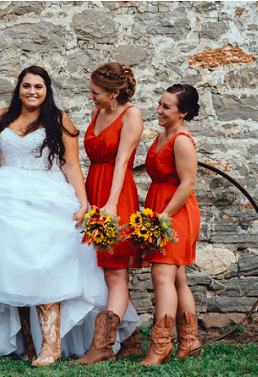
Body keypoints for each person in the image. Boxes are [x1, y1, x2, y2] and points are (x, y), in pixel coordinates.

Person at [0, 66, 139, 367]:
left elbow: (71, 165)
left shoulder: (58, 120)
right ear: (18, 88)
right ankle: (28, 344)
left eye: (39, 87)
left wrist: (83, 202)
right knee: (11, 264)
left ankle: (51, 344)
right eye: (26, 85)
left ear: (47, 90)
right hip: (4, 196)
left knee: (45, 264)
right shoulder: (1, 117)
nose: (32, 91)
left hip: (47, 197)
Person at [72, 63, 144, 365]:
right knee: (98, 268)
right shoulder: (96, 113)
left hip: (117, 194)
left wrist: (112, 204)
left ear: (115, 93)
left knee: (115, 271)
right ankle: (130, 337)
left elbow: (123, 161)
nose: (91, 97)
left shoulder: (132, 115)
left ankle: (104, 345)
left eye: (96, 93)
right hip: (95, 188)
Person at [139, 84, 202, 365]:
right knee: (177, 278)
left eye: (167, 107)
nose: (159, 110)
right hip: (160, 206)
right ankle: (189, 341)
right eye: (160, 104)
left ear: (183, 112)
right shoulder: (163, 134)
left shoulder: (181, 140)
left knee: (162, 276)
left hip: (175, 212)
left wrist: (164, 215)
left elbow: (188, 183)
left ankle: (160, 347)